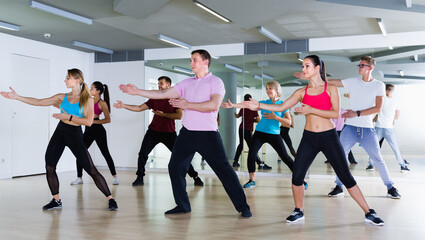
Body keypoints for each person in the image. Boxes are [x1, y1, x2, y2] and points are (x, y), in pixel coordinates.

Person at [244, 55, 384, 225]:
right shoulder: (301, 92)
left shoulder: (330, 88)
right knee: (297, 176)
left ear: (317, 68)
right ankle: (298, 211)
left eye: (307, 66)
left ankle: (369, 212)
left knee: (346, 177)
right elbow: (281, 106)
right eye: (303, 66)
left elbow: (334, 113)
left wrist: (311, 109)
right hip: (309, 137)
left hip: (329, 137)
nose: (303, 69)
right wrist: (258, 105)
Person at [119, 49, 252, 217]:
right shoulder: (186, 83)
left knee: (224, 170)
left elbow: (213, 105)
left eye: (194, 60)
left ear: (205, 62)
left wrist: (188, 105)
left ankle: (243, 207)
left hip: (208, 134)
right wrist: (138, 91)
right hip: (187, 133)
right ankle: (183, 205)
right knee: (175, 167)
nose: (191, 63)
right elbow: (163, 93)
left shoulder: (215, 82)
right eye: (191, 60)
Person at [0, 68, 118, 211]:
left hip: (75, 135)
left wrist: (68, 117)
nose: (65, 80)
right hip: (60, 132)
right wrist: (17, 97)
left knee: (91, 170)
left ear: (77, 80)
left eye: (68, 78)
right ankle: (56, 200)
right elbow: (39, 102)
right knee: (49, 166)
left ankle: (110, 199)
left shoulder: (88, 99)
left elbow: (88, 122)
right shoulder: (62, 97)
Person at [307, 56, 401, 200]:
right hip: (349, 128)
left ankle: (390, 187)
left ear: (370, 68)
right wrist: (316, 73)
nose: (359, 67)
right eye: (359, 65)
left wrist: (356, 113)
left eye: (362, 65)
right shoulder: (353, 82)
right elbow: (329, 81)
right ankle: (338, 186)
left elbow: (377, 108)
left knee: (378, 159)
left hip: (367, 129)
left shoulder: (379, 85)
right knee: (340, 157)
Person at [114, 76, 203, 187]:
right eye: (158, 83)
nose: (159, 85)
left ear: (168, 85)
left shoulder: (174, 98)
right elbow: (139, 108)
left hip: (169, 133)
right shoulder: (154, 98)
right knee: (142, 154)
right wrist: (124, 106)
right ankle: (140, 177)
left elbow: (179, 115)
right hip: (153, 132)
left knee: (180, 156)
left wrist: (163, 114)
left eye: (161, 83)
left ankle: (195, 176)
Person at [222, 81, 301, 189]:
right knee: (251, 155)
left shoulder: (282, 105)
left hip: (274, 134)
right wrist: (233, 105)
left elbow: (289, 122)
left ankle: (300, 179)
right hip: (259, 132)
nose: (268, 91)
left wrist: (276, 118)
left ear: (276, 90)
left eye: (270, 89)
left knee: (285, 157)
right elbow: (248, 105)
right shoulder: (264, 102)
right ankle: (252, 180)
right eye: (267, 88)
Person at [70, 81, 119, 185]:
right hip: (88, 130)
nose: (90, 90)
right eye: (90, 88)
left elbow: (107, 120)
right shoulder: (89, 100)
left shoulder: (102, 103)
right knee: (80, 152)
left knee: (105, 153)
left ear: (98, 91)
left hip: (98, 130)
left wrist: (93, 122)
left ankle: (114, 177)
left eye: (92, 88)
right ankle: (79, 177)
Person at [366, 84, 409, 172]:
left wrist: (376, 117)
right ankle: (403, 166)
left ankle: (371, 164)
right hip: (389, 128)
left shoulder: (380, 99)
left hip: (379, 127)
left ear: (385, 91)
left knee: (373, 146)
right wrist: (391, 119)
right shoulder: (396, 101)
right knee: (395, 148)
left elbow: (376, 110)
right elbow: (397, 116)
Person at [232, 94, 261, 167]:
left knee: (241, 145)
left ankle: (235, 161)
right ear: (251, 99)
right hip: (248, 130)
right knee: (252, 147)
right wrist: (252, 120)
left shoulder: (243, 108)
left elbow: (238, 116)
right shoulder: (253, 109)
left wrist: (235, 114)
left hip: (241, 128)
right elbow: (258, 120)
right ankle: (259, 163)